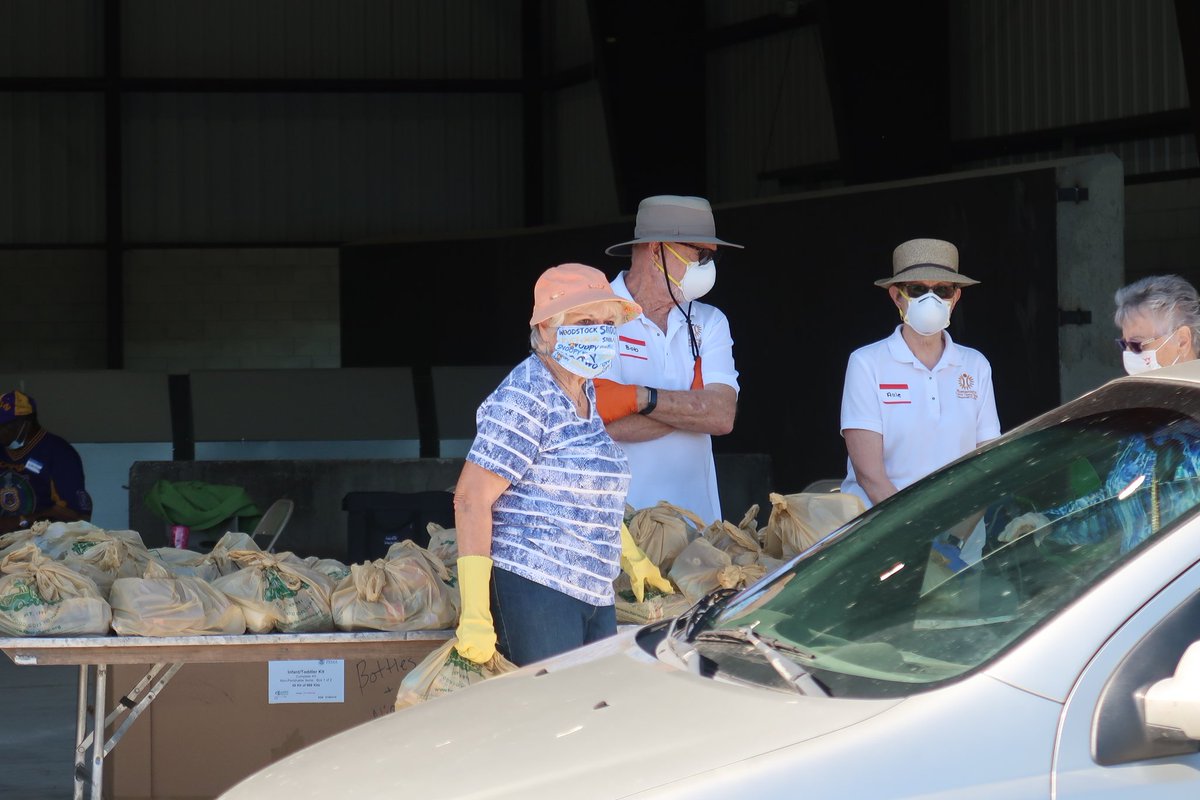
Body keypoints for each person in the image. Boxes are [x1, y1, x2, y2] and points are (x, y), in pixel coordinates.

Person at [453, 263, 673, 668]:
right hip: (537, 587)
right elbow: (470, 498)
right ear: (548, 329)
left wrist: (630, 556)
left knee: (591, 714)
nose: (600, 331)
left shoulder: (583, 390)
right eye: (585, 320)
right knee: (552, 719)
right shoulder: (527, 393)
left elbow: (581, 489)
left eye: (608, 323)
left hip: (593, 590)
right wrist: (475, 614)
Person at [999, 274, 1200, 554]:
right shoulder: (1151, 418)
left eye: (1138, 345)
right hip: (1152, 592)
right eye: (1124, 345)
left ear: (1181, 340)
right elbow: (1117, 502)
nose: (1129, 355)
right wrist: (1050, 522)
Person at [594, 195, 742, 525]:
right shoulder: (595, 314)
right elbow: (603, 423)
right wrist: (694, 407)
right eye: (699, 254)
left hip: (699, 533)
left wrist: (640, 398)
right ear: (658, 250)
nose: (708, 266)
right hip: (618, 532)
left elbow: (721, 416)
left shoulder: (711, 320)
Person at [840, 238, 1000, 509]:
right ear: (896, 296)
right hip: (881, 532)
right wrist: (919, 531)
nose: (931, 299)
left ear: (956, 297)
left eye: (943, 289)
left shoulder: (976, 365)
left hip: (961, 534)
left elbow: (988, 461)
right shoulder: (867, 363)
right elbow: (869, 474)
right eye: (917, 289)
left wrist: (957, 529)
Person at [0, 389, 93, 534]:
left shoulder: (58, 453)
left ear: (25, 422)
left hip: (43, 544)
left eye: (3, 426)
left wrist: (22, 521)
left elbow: (76, 515)